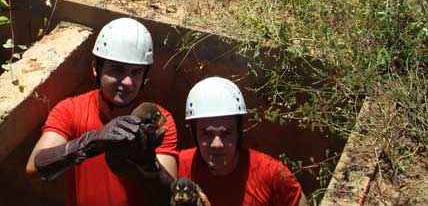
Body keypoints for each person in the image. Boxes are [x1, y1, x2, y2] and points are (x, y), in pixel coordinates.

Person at [25, 17, 178, 205]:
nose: (128, 82)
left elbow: (172, 198)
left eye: (136, 72)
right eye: (117, 70)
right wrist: (92, 141)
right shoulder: (70, 110)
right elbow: (34, 167)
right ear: (96, 69)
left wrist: (147, 164)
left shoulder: (159, 119)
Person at [177, 77, 307, 206]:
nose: (217, 144)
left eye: (226, 133)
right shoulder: (180, 166)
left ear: (239, 132)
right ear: (193, 134)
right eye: (207, 134)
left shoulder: (271, 174)